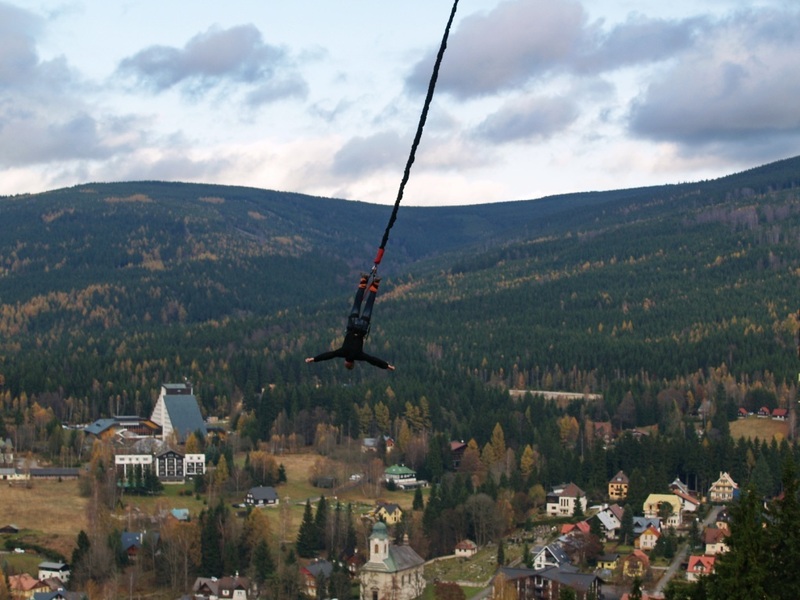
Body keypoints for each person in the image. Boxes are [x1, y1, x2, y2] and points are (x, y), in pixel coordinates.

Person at [305, 273, 395, 370]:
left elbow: (372, 360)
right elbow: (329, 355)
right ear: (346, 362)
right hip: (352, 325)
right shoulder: (342, 352)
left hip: (362, 328)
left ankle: (375, 283)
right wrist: (313, 359)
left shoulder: (359, 355)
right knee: (357, 303)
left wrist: (387, 366)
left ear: (353, 363)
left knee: (369, 306)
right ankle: (363, 281)